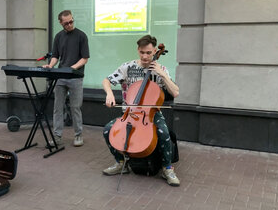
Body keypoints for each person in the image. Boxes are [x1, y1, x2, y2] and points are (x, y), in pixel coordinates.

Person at [101, 35, 180, 186]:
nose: (145, 56)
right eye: (142, 52)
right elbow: (106, 80)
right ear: (138, 50)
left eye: (149, 53)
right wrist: (109, 94)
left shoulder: (161, 69)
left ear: (155, 51)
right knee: (107, 130)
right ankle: (120, 163)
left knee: (163, 133)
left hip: (151, 114)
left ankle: (167, 168)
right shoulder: (127, 67)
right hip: (129, 113)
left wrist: (162, 75)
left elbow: (175, 92)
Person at [42, 10, 90, 147]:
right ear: (61, 23)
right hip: (60, 76)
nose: (69, 25)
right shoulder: (58, 37)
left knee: (75, 107)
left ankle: (78, 135)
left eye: (71, 21)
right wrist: (50, 65)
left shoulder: (81, 36)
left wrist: (72, 68)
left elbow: (85, 58)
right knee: (58, 107)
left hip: (76, 77)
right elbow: (55, 56)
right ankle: (57, 136)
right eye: (66, 23)